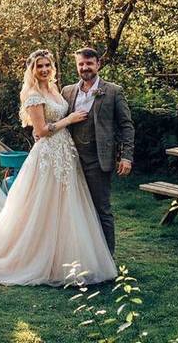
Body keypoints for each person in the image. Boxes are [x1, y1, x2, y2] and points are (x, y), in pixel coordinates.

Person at [0, 49, 117, 286]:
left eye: (46, 66)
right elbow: (41, 130)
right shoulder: (32, 94)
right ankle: (38, 258)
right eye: (39, 67)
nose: (43, 70)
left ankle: (68, 258)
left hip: (66, 154)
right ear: (32, 70)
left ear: (52, 67)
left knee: (68, 207)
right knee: (45, 207)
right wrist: (69, 120)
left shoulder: (57, 90)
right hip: (48, 155)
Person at [60, 47, 135, 255]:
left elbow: (126, 126)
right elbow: (58, 121)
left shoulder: (113, 91)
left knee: (101, 209)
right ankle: (82, 255)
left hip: (98, 159)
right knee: (75, 208)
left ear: (98, 64)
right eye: (81, 64)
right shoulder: (67, 91)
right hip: (71, 159)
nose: (85, 68)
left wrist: (126, 156)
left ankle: (107, 257)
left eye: (89, 63)